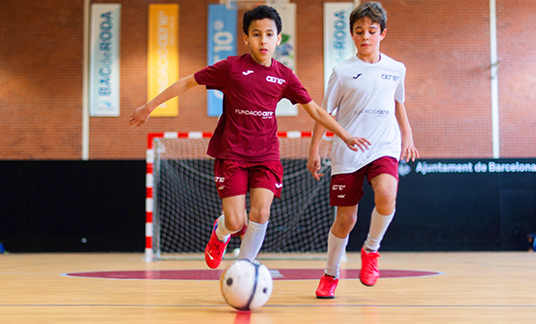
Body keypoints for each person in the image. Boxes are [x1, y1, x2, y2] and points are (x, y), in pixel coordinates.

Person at [130, 5, 369, 269]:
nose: (263, 40)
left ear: (278, 38)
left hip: (266, 155)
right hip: (231, 153)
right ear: (246, 38)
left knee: (261, 212)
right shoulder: (231, 68)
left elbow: (315, 110)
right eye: (256, 34)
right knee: (235, 222)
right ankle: (220, 234)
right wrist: (149, 106)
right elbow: (187, 82)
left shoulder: (284, 76)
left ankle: (245, 267)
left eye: (269, 34)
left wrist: (344, 135)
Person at [306, 1, 419, 299]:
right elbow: (324, 113)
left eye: (371, 30)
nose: (365, 36)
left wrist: (407, 134)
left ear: (382, 33)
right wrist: (314, 150)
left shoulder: (396, 69)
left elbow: (398, 103)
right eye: (359, 31)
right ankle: (330, 274)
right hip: (348, 152)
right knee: (346, 220)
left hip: (384, 145)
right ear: (352, 35)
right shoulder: (342, 72)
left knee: (386, 194)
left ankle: (371, 249)